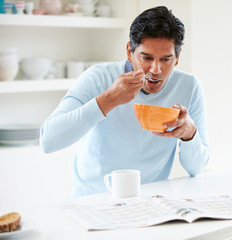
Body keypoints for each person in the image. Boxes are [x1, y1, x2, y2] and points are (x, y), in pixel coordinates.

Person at [40, 6, 209, 197]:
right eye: (146, 57)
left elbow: (197, 168)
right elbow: (48, 140)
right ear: (130, 51)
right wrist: (108, 100)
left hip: (153, 202)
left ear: (177, 58)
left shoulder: (189, 86)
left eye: (166, 59)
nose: (156, 69)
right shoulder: (98, 78)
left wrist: (190, 134)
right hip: (94, 201)